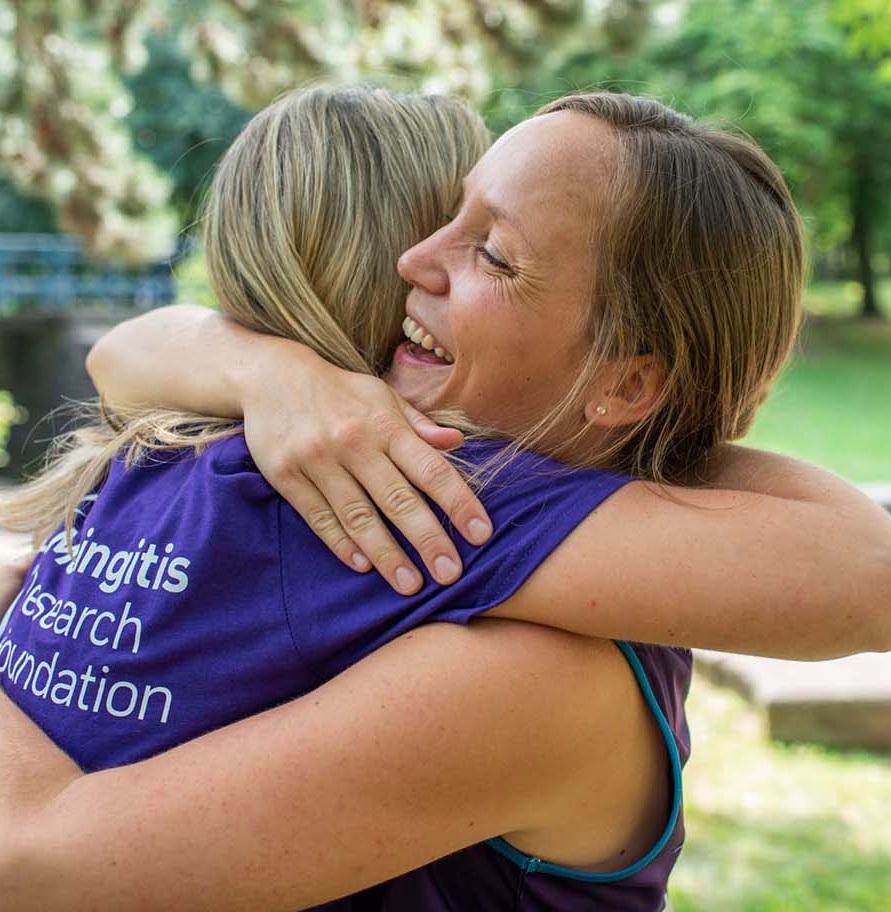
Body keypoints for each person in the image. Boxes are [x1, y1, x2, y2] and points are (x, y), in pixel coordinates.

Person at [1, 88, 889, 912]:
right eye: (445, 215)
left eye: (494, 254)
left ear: (626, 382)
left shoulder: (452, 537)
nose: (413, 259)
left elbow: (867, 574)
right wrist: (265, 369)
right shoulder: (277, 455)